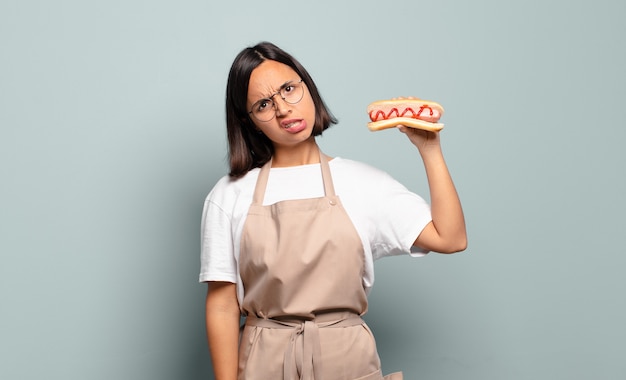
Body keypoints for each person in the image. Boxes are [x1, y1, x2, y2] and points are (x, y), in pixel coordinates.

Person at [200, 41, 467, 380]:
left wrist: (429, 149)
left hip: (347, 358)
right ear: (250, 121)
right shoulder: (229, 195)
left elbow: (451, 237)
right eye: (264, 104)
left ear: (307, 88)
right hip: (262, 362)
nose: (283, 109)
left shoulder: (364, 183)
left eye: (288, 89)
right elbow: (222, 306)